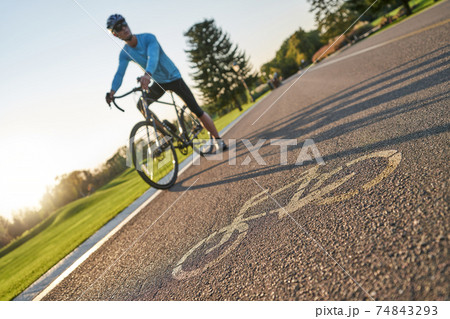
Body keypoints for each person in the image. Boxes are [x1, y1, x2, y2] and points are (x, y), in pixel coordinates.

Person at [105, 14, 227, 151]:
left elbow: (153, 57)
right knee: (142, 105)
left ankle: (218, 140)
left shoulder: (148, 38)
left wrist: (147, 74)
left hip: (173, 77)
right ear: (115, 34)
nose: (124, 28)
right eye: (118, 28)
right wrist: (112, 92)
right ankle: (166, 134)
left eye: (124, 23)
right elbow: (119, 74)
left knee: (196, 111)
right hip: (159, 82)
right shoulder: (124, 53)